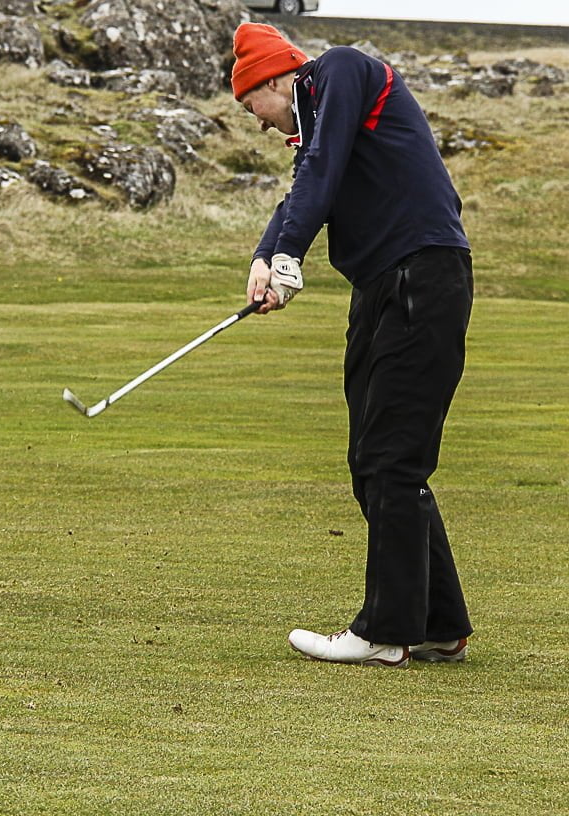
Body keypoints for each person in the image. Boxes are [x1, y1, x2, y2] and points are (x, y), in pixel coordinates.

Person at [231, 22, 475, 667]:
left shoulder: (342, 69)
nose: (252, 120)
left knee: (392, 459)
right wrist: (266, 256)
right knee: (373, 459)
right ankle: (438, 622)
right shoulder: (314, 125)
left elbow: (323, 163)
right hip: (381, 287)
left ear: (274, 78)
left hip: (421, 275)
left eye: (247, 101)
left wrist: (290, 255)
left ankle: (384, 630)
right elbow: (308, 180)